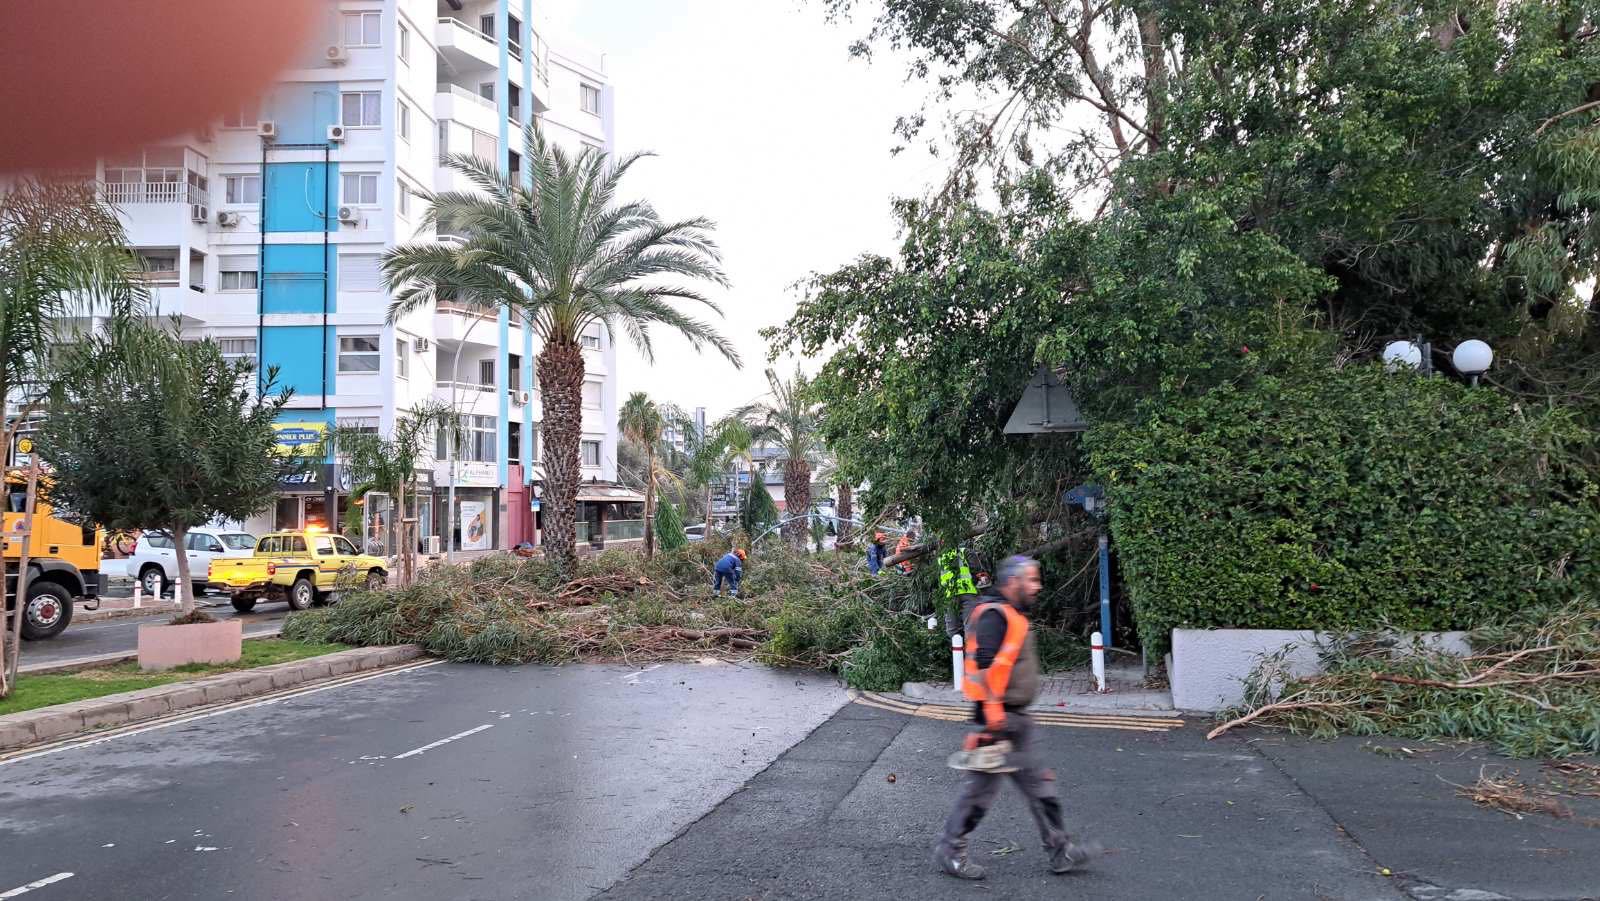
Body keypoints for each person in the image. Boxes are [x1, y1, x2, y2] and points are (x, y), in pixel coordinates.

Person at [935, 555, 1100, 881]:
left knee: (1041, 788)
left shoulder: (1011, 614)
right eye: (1032, 580)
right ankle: (950, 851)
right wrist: (994, 719)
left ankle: (1060, 850)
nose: (1038, 586)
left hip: (1016, 721)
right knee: (979, 793)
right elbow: (983, 666)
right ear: (1014, 582)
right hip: (998, 722)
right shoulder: (994, 615)